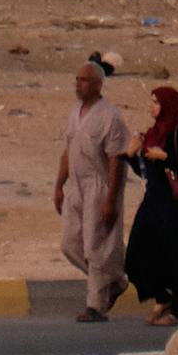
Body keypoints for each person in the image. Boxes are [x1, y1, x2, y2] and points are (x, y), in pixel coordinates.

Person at [122, 81, 178, 327]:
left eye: (157, 102)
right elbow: (147, 173)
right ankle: (162, 297)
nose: (151, 106)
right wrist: (131, 155)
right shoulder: (152, 134)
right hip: (153, 204)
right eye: (151, 101)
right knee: (136, 255)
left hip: (177, 207)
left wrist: (166, 157)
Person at [53, 56, 129, 321]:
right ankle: (114, 280)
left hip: (99, 186)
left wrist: (111, 199)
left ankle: (95, 306)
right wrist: (59, 185)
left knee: (95, 246)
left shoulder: (110, 117)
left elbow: (117, 160)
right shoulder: (75, 112)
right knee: (70, 243)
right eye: (77, 79)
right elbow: (68, 149)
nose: (78, 85)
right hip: (76, 184)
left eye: (84, 80)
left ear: (98, 85)